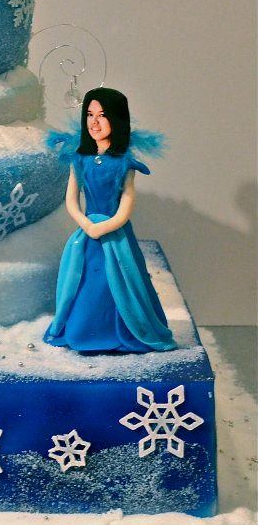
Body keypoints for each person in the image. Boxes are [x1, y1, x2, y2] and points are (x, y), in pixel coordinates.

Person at [43, 87, 176, 354]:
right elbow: (71, 200)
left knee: (122, 280)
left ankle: (125, 330)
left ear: (116, 119)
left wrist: (104, 226)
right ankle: (85, 330)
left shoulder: (124, 164)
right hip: (88, 234)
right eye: (89, 114)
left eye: (102, 115)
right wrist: (87, 225)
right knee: (84, 281)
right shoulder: (80, 160)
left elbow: (126, 207)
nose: (94, 122)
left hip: (116, 234)